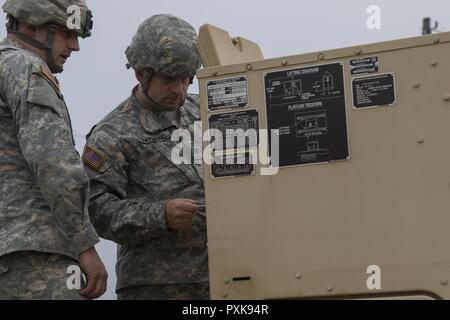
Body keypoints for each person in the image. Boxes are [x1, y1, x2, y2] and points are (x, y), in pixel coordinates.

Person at [83, 14, 209, 300]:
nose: (178, 89)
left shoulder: (204, 111)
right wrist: (159, 215)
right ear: (141, 73)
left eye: (185, 78)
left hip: (224, 277)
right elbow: (96, 211)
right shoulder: (111, 135)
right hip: (155, 287)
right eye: (168, 79)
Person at [0, 0, 107, 300]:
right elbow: (52, 160)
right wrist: (84, 244)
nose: (74, 46)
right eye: (64, 33)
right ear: (31, 24)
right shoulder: (27, 67)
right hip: (36, 256)